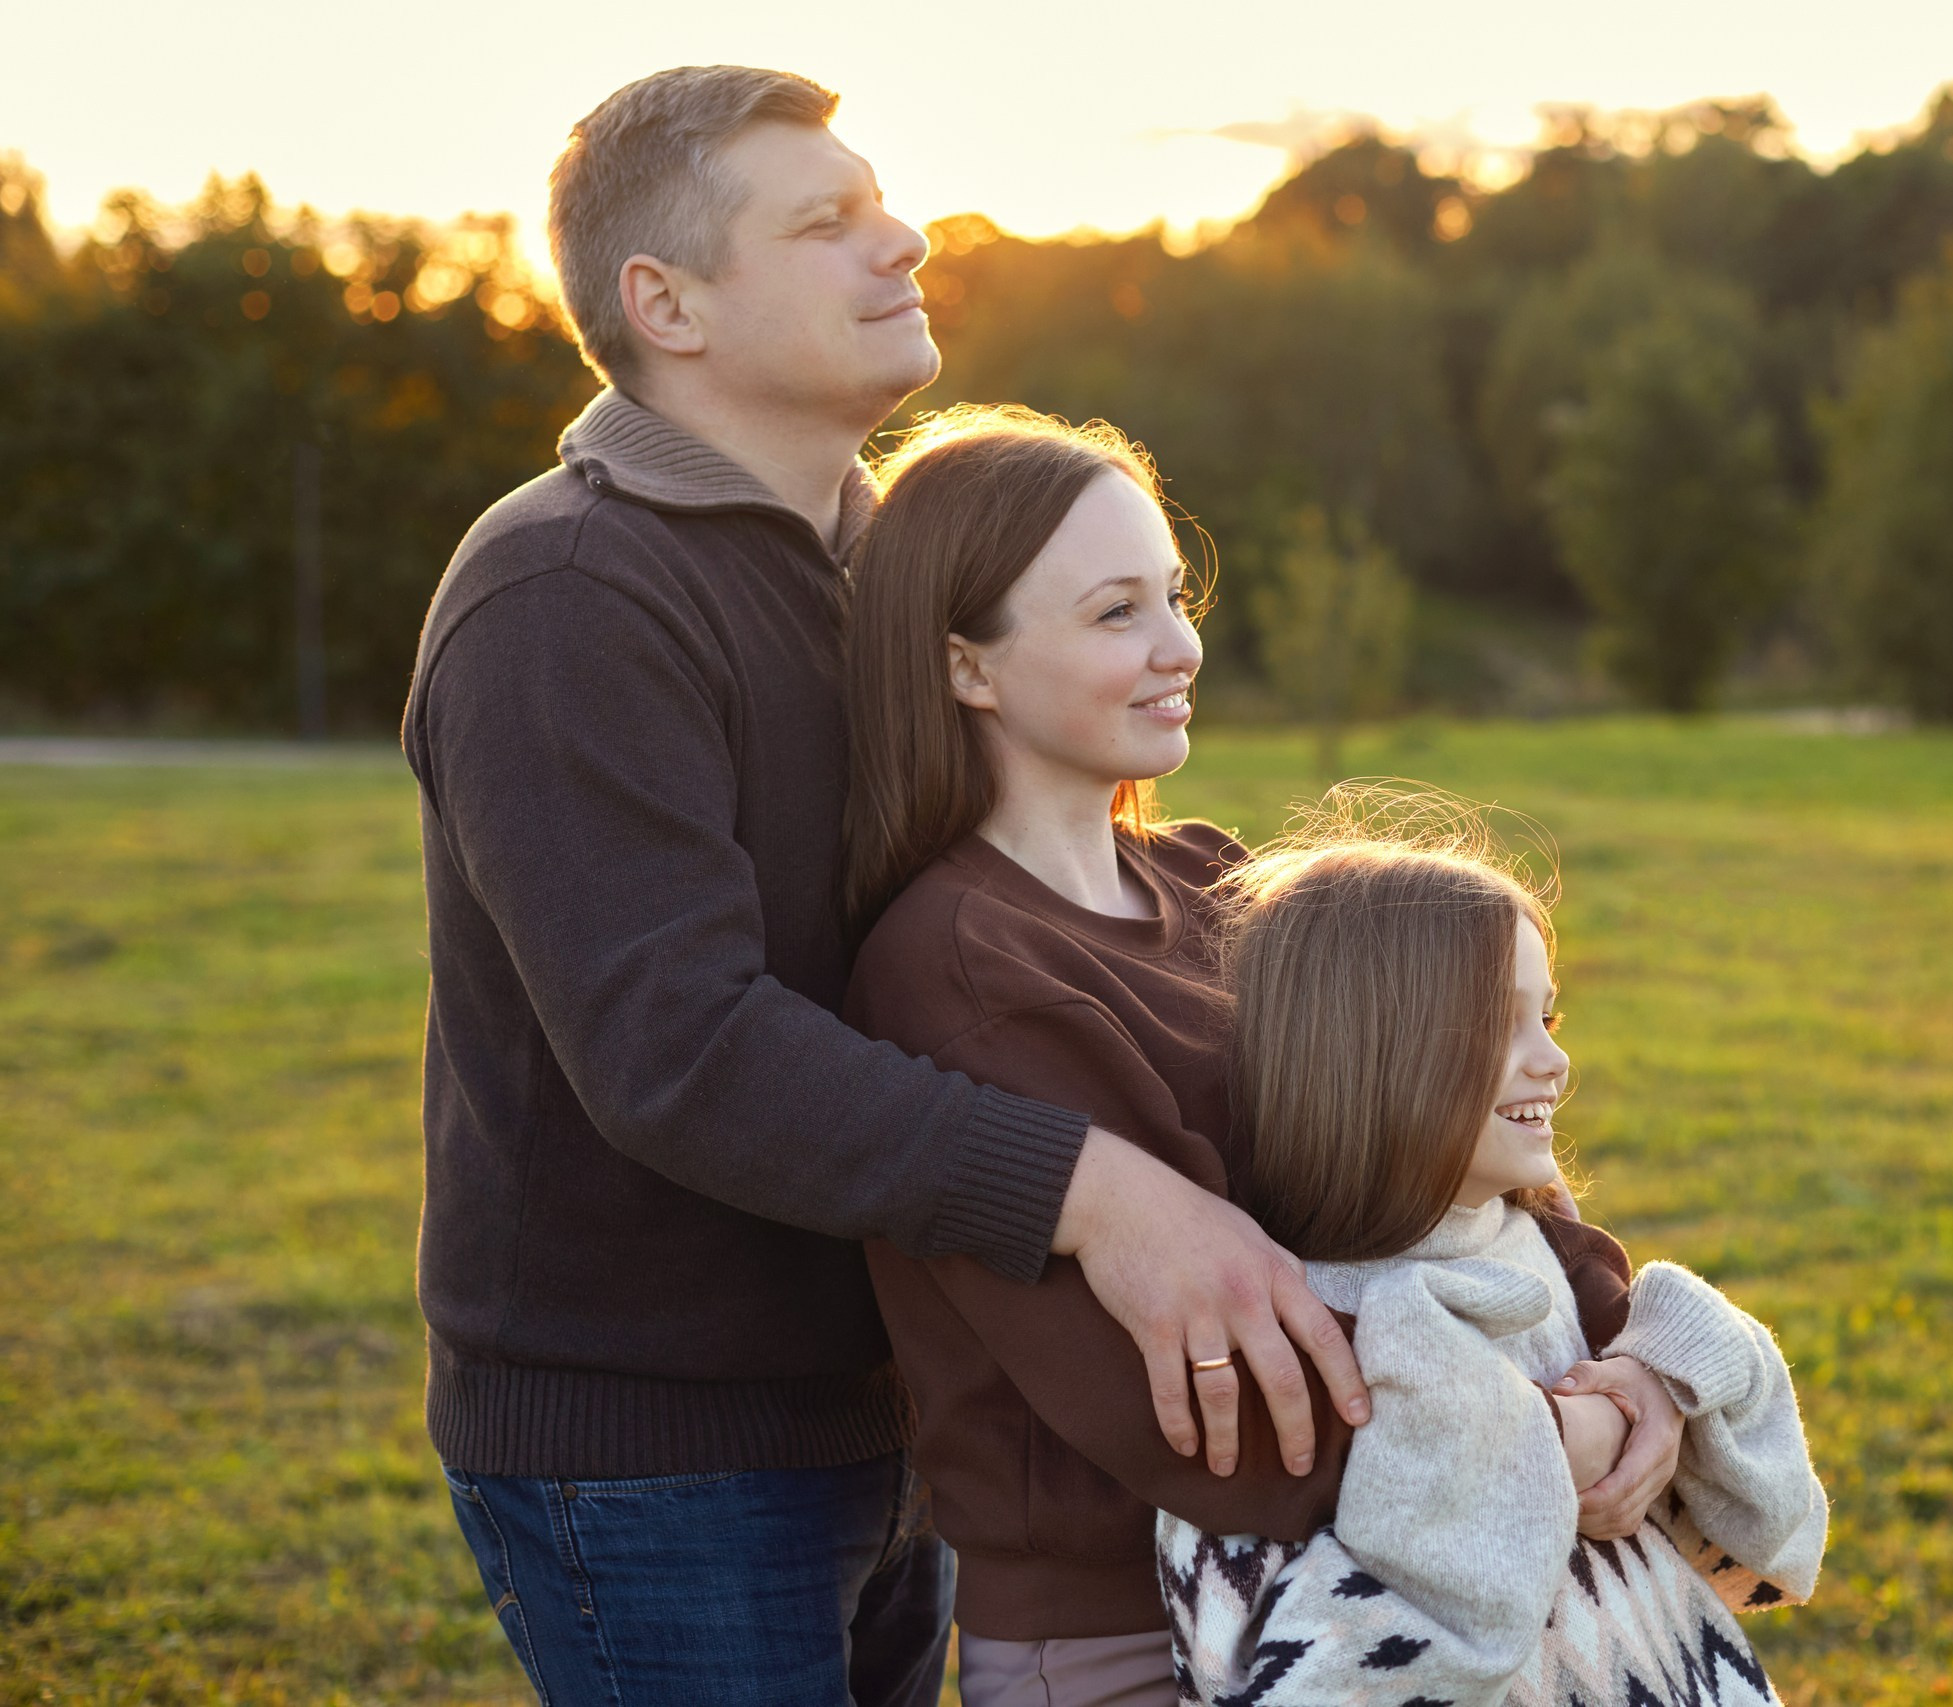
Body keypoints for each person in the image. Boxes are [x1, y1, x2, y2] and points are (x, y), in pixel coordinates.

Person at [401, 67, 1362, 1707]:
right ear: (667, 303)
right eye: (827, 222)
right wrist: (1109, 1196)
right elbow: (683, 1051)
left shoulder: (883, 565)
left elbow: (1027, 898)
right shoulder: (566, 592)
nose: (904, 241)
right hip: (662, 1446)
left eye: (885, 201)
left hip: (906, 1393)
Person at [838, 408, 1695, 1707]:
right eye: (1115, 611)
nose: (1180, 645)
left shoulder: (1213, 878)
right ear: (969, 666)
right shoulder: (956, 969)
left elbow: (1459, 1185)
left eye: (1173, 598)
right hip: (1152, 1634)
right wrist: (1552, 1433)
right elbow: (1194, 1410)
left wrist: (1632, 1362)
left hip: (1417, 1584)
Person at [1158, 812, 1829, 1707]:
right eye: (1500, 1025)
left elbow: (1761, 1522)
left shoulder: (1541, 1243)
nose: (1553, 1061)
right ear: (1373, 1053)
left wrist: (1677, 1367)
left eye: (1546, 1016)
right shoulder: (1286, 1326)